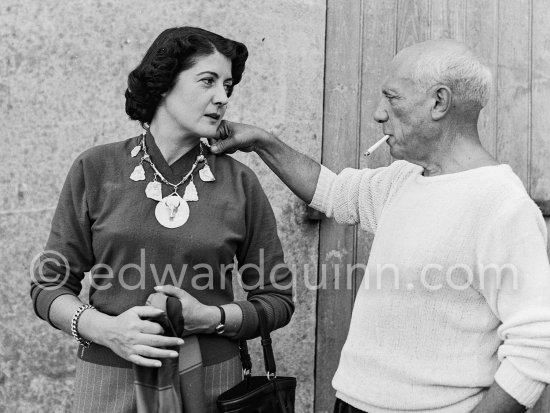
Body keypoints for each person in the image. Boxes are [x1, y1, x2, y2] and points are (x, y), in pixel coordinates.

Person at [211, 39, 550, 413]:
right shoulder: (404, 178)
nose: (378, 114)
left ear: (439, 102)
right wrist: (262, 142)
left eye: (392, 98)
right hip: (354, 403)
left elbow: (537, 347)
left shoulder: (502, 205)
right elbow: (333, 192)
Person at [30, 27, 294, 413]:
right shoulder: (96, 168)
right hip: (108, 384)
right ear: (165, 83)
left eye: (228, 86)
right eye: (207, 81)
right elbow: (48, 286)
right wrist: (108, 330)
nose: (222, 98)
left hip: (211, 386)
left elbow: (277, 300)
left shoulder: (240, 183)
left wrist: (211, 318)